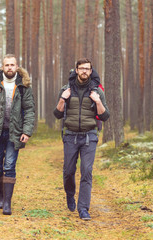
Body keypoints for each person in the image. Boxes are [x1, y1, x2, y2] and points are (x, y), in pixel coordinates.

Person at [0, 54, 35, 215]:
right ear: (2, 67)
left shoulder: (24, 86)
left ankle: (8, 203)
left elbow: (30, 110)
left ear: (17, 67)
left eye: (12, 65)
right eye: (6, 65)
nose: (9, 67)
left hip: (14, 133)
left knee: (9, 166)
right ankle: (1, 193)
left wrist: (27, 131)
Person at [53, 58, 110, 220]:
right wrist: (63, 99)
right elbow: (57, 114)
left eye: (87, 69)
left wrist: (97, 101)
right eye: (81, 68)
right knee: (68, 171)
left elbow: (105, 116)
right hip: (70, 135)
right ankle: (70, 194)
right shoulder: (66, 89)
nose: (84, 71)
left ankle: (83, 208)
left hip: (89, 136)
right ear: (76, 70)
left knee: (86, 171)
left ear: (91, 71)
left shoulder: (97, 91)